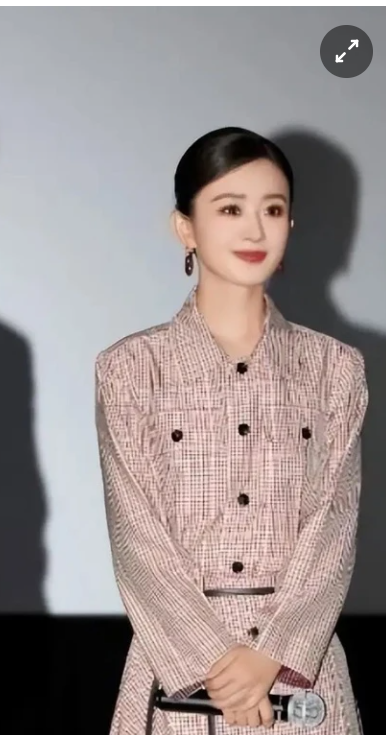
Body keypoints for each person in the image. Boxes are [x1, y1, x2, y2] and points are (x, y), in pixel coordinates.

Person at [94, 127, 368, 734]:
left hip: (302, 681)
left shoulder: (336, 370)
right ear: (185, 228)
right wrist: (215, 666)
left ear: (290, 224)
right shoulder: (131, 369)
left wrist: (272, 655)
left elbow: (334, 528)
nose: (254, 230)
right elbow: (135, 537)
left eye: (272, 209)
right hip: (178, 680)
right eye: (229, 209)